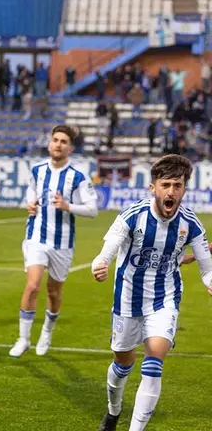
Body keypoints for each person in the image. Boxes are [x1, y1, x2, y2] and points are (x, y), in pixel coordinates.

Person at [91, 155, 212, 431]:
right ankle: (114, 410)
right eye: (166, 184)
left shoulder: (191, 223)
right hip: (127, 298)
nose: (172, 191)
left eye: (178, 185)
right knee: (122, 365)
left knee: (154, 360)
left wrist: (210, 280)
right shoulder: (133, 216)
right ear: (153, 188)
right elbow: (108, 248)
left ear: (184, 189)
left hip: (164, 299)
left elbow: (207, 267)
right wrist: (100, 264)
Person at [9, 125, 99, 358]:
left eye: (63, 141)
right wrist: (30, 202)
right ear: (50, 143)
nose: (58, 144)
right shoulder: (37, 170)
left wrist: (68, 206)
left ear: (70, 148)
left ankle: (47, 331)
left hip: (62, 242)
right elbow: (31, 190)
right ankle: (23, 338)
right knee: (32, 285)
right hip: (36, 236)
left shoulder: (77, 177)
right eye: (55, 140)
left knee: (54, 292)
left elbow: (93, 209)